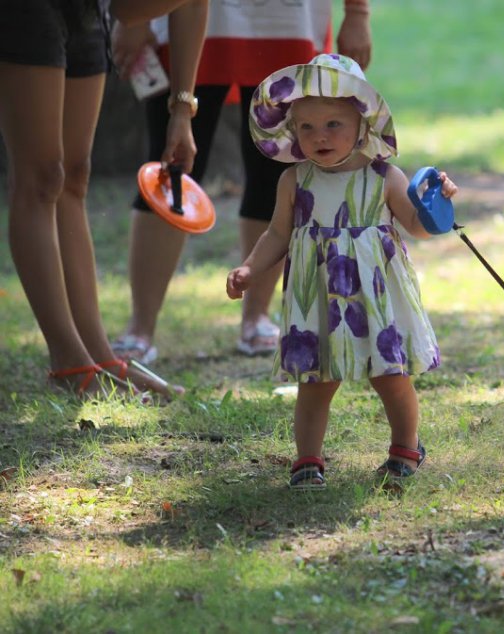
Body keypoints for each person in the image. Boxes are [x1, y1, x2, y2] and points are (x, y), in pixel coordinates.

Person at [226, 54, 459, 489]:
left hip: (375, 295)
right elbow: (277, 234)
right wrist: (250, 268)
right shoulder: (295, 180)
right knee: (316, 382)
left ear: (362, 126)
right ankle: (308, 461)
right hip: (317, 294)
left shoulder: (384, 177)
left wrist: (438, 201)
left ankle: (405, 446)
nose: (320, 137)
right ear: (293, 132)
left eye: (333, 124)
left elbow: (417, 226)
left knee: (390, 375)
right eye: (307, 127)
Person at [110, 0, 372, 364]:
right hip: (186, 14)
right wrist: (135, 12)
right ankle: (139, 328)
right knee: (169, 167)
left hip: (288, 16)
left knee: (275, 166)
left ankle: (257, 317)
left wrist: (357, 12)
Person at [0, 0, 207, 399]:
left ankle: (101, 357)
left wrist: (182, 113)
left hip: (86, 11)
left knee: (74, 177)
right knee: (42, 176)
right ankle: (68, 360)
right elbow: (132, 10)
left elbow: (189, 5)